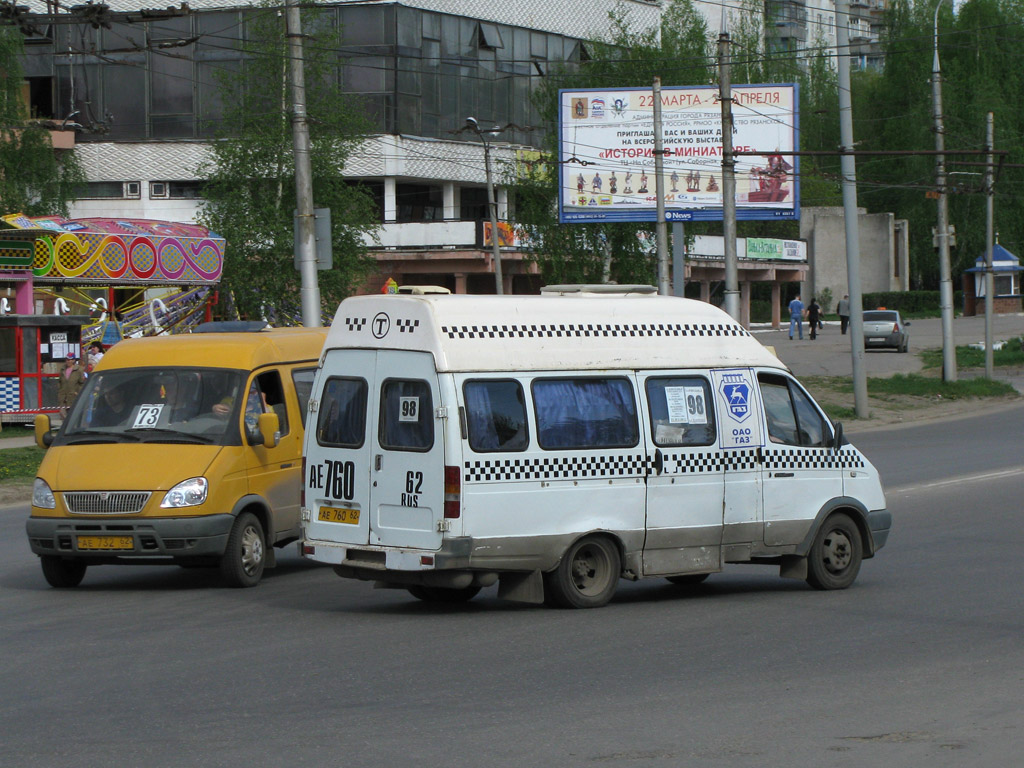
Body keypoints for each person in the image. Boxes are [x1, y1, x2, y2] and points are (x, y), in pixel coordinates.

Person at [57, 353, 87, 418]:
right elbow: (60, 382)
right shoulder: (62, 369)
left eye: (70, 360)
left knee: (73, 417)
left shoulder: (79, 370)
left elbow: (82, 383)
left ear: (74, 360)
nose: (68, 361)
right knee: (63, 416)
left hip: (74, 398)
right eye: (67, 359)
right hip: (63, 398)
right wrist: (60, 392)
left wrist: (77, 393)